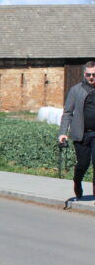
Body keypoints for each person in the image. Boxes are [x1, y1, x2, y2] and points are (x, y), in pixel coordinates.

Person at [59, 60, 95, 199]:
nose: (91, 77)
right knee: (83, 164)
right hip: (82, 135)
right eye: (89, 75)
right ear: (84, 74)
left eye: (94, 75)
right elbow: (67, 113)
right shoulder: (76, 90)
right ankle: (77, 180)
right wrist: (63, 133)